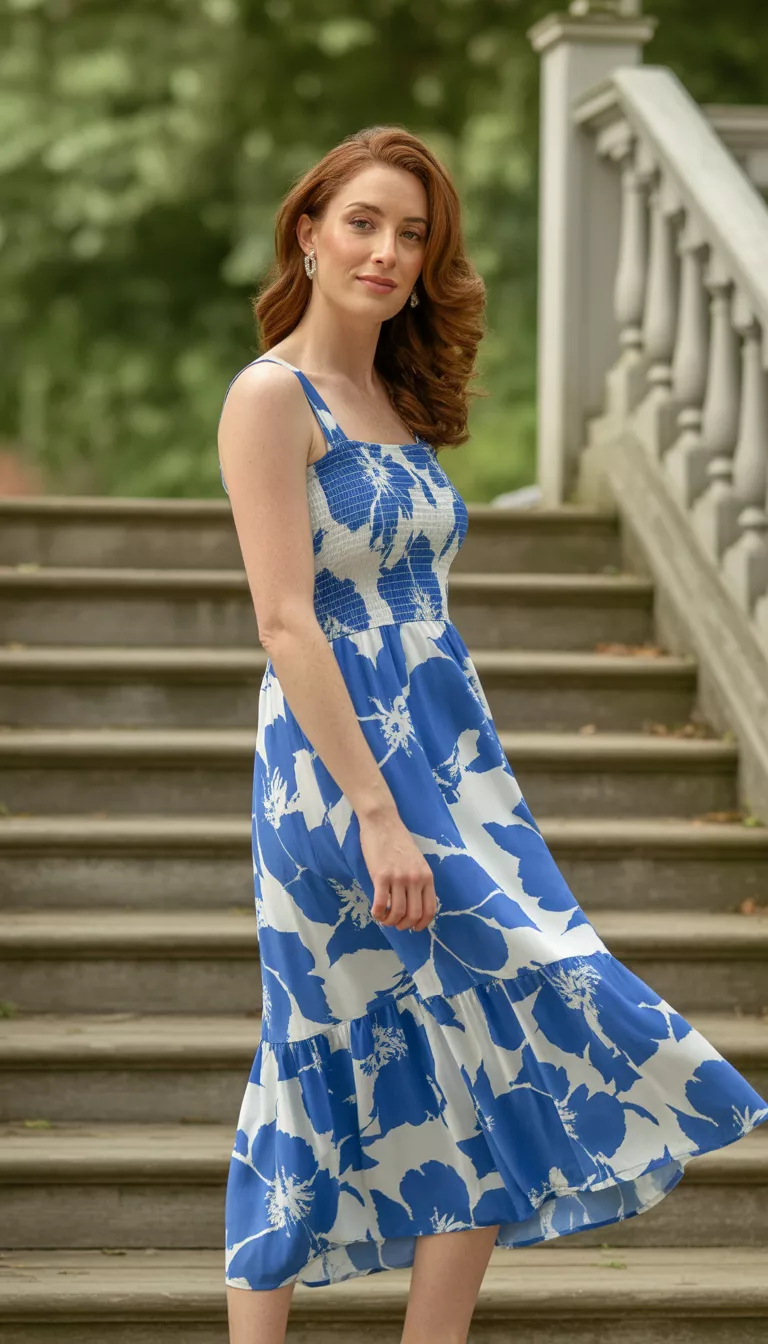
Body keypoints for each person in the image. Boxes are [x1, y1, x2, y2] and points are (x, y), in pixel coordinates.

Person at [216, 125, 768, 1344]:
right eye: (363, 221)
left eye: (412, 234)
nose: (389, 251)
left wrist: (455, 785)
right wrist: (375, 810)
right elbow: (284, 620)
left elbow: (425, 612)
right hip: (335, 775)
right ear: (308, 231)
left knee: (485, 1037)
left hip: (447, 757)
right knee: (319, 1047)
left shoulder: (392, 397)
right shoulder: (272, 396)